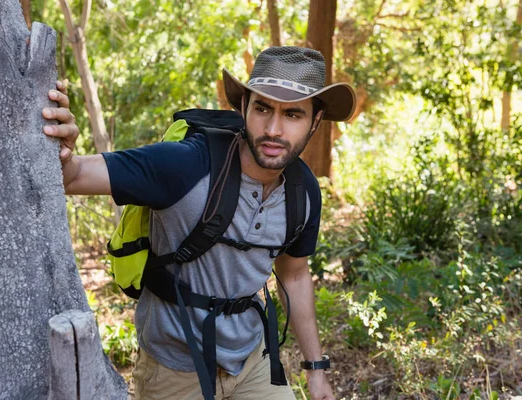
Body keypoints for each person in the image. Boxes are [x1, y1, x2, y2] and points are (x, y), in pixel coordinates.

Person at [43, 46, 355, 400]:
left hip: (252, 363)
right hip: (173, 369)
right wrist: (64, 148)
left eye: (293, 115)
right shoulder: (187, 167)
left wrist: (315, 369)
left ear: (315, 121)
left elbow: (295, 274)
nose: (273, 129)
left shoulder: (303, 192)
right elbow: (74, 176)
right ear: (243, 108)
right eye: (263, 108)